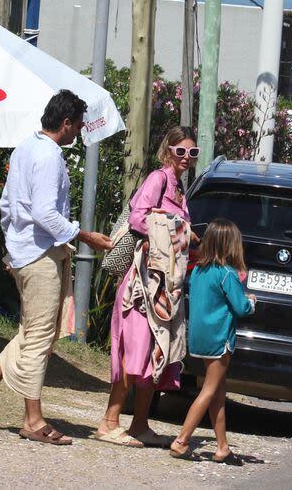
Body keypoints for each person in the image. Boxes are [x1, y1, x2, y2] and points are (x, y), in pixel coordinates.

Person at [0, 90, 113, 445]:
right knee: (40, 338)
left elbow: (7, 205)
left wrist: (14, 249)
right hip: (40, 257)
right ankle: (32, 420)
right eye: (77, 126)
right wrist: (85, 235)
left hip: (29, 253)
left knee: (32, 332)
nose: (78, 133)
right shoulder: (48, 156)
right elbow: (45, 213)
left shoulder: (25, 148)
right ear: (65, 123)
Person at [95, 127, 199, 448]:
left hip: (165, 282)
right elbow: (139, 219)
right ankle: (110, 421)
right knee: (135, 348)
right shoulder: (158, 179)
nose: (185, 158)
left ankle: (140, 423)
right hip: (145, 280)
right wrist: (178, 226)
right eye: (180, 151)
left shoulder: (180, 187)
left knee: (158, 349)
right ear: (168, 150)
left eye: (192, 153)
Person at [170, 219, 255, 464]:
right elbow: (241, 307)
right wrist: (251, 300)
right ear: (231, 245)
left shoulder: (198, 270)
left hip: (200, 336)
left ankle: (222, 446)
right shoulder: (227, 274)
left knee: (217, 392)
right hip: (220, 338)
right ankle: (182, 440)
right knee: (208, 391)